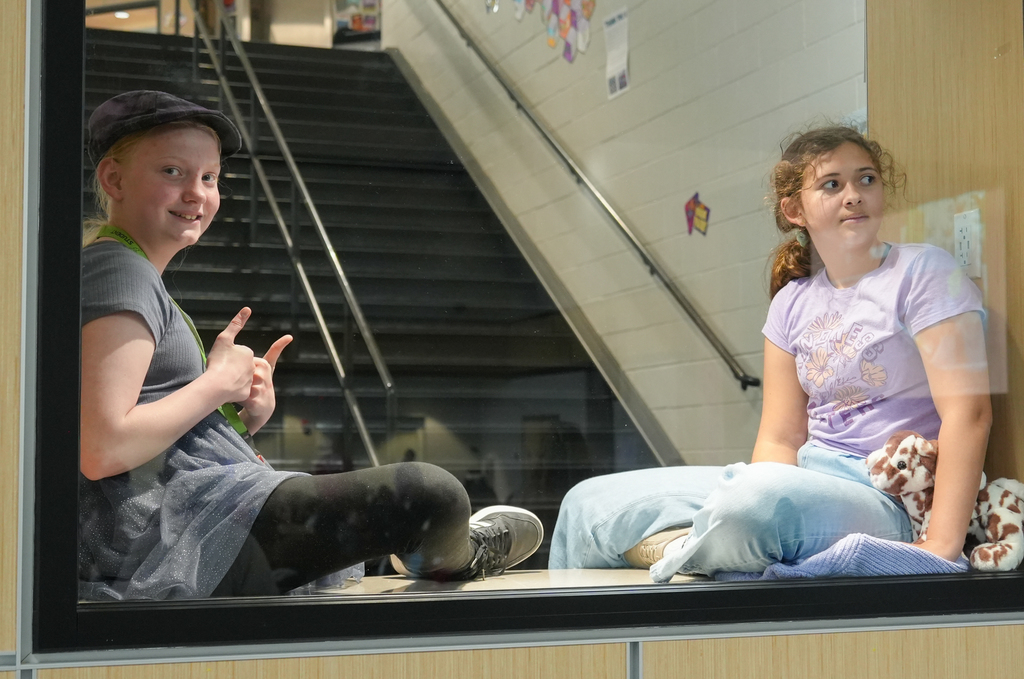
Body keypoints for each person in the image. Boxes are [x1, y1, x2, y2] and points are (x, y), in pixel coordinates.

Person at [78, 90, 543, 600]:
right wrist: (213, 387)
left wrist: (235, 417)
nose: (197, 193)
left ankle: (427, 547)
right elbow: (102, 448)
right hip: (165, 535)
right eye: (172, 171)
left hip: (177, 524)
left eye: (208, 177)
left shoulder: (128, 271)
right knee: (429, 495)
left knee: (423, 498)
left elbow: (133, 429)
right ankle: (464, 553)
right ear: (113, 179)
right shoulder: (117, 270)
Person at [548, 125, 991, 577]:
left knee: (750, 506)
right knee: (587, 504)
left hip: (886, 496)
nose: (854, 194)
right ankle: (696, 547)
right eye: (832, 184)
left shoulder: (924, 271)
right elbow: (780, 439)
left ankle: (690, 543)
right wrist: (764, 490)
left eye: (867, 179)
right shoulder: (791, 301)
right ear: (795, 209)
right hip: (805, 483)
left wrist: (941, 539)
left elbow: (968, 412)